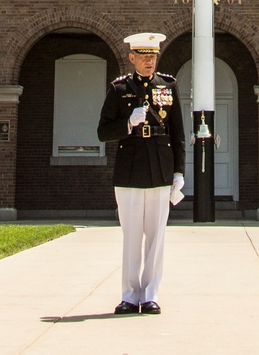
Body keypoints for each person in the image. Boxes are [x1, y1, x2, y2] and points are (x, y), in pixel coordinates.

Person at [97, 31, 186, 315]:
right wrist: (127, 123)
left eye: (153, 56)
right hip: (130, 169)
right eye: (144, 57)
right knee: (132, 236)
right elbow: (102, 132)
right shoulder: (119, 89)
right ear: (132, 57)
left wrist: (179, 172)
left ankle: (150, 294)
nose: (150, 62)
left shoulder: (168, 86)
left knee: (156, 236)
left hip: (160, 167)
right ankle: (129, 295)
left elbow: (179, 134)